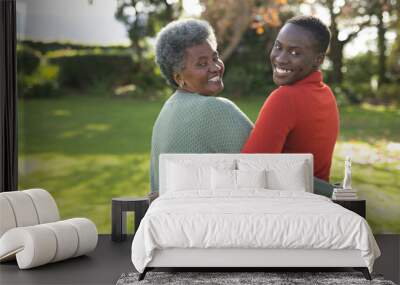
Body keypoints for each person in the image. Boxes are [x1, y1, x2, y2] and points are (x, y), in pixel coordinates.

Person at [150, 19, 253, 195]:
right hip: (210, 219)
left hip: (172, 219)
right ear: (178, 78)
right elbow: (272, 167)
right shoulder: (215, 110)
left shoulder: (168, 109)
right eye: (202, 64)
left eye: (215, 57)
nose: (215, 67)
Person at [242, 15, 339, 195]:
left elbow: (251, 171)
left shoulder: (285, 98)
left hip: (287, 205)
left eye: (295, 52)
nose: (280, 58)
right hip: (317, 203)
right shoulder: (326, 94)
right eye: (278, 47)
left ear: (318, 59)